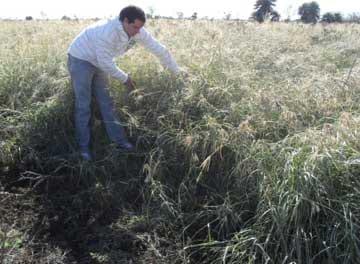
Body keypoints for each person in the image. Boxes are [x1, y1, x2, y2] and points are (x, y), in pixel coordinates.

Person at [67, 5, 180, 161]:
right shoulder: (107, 32)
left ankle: (120, 142)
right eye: (135, 27)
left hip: (99, 60)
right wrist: (126, 79)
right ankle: (83, 149)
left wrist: (177, 73)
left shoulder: (136, 30)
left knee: (107, 103)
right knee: (83, 104)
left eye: (140, 27)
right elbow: (105, 62)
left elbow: (159, 49)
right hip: (81, 59)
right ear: (125, 21)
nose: (138, 31)